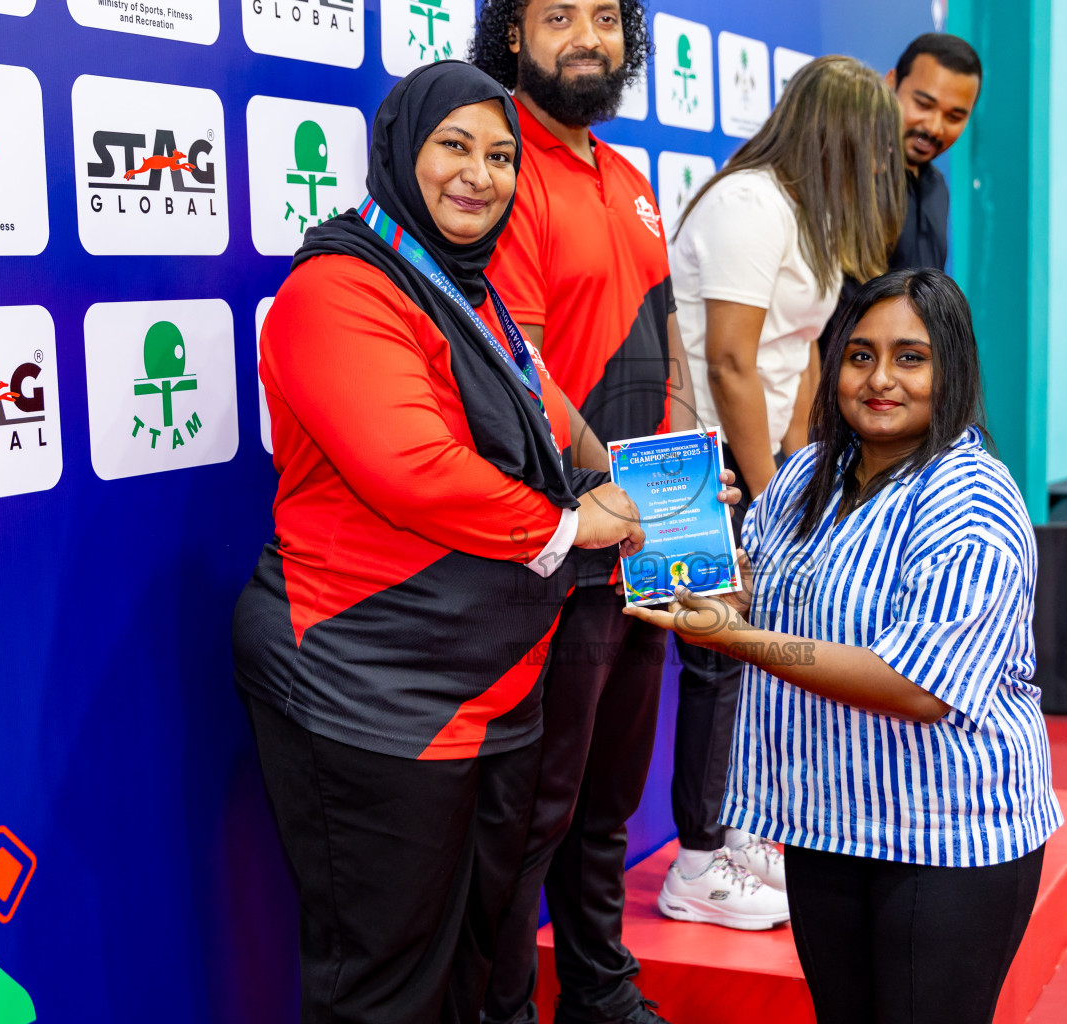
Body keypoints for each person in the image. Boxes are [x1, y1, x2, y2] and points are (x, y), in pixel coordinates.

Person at [230, 62, 651, 1024]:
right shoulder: (338, 289)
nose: (482, 174)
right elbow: (411, 466)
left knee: (487, 965)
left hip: (493, 687)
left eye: (501, 154)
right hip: (367, 683)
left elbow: (555, 419)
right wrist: (574, 521)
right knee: (386, 985)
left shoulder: (475, 295)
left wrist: (649, 485)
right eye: (453, 147)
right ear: (398, 154)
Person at [628, 268, 1063, 1024]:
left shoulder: (975, 500)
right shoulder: (803, 475)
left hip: (948, 837)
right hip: (825, 821)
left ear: (951, 368)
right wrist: (682, 540)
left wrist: (740, 640)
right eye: (860, 356)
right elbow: (756, 598)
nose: (880, 379)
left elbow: (915, 687)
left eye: (910, 357)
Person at [467, 2, 733, 1022]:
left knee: (608, 798)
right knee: (535, 804)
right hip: (556, 547)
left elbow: (663, 348)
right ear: (513, 34)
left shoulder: (626, 180)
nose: (586, 37)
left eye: (605, 19)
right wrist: (608, 495)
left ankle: (598, 987)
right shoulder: (505, 167)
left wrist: (680, 507)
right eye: (557, 15)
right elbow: (520, 367)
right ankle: (498, 1007)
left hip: (643, 541)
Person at [661, 53, 906, 926]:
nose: (886, 163)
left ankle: (734, 835)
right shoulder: (749, 204)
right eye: (877, 144)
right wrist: (769, 498)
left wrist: (805, 482)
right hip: (687, 463)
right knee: (717, 659)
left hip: (758, 469)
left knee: (753, 661)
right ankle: (694, 863)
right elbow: (727, 362)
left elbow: (799, 357)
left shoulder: (810, 219)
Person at [885, 32, 981, 274]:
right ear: (890, 83)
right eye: (923, 105)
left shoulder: (936, 186)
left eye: (954, 117)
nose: (934, 128)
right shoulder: (848, 176)